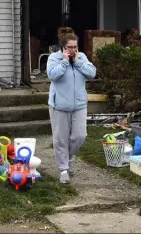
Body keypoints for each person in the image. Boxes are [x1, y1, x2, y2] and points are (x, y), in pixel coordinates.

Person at [46, 33, 96, 184]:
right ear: (63, 47)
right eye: (70, 47)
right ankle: (63, 169)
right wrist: (65, 62)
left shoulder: (81, 58)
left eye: (75, 47)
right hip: (60, 105)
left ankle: (67, 159)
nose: (73, 50)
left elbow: (92, 73)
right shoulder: (54, 58)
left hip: (79, 105)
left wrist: (78, 61)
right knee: (60, 139)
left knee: (79, 136)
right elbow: (52, 76)